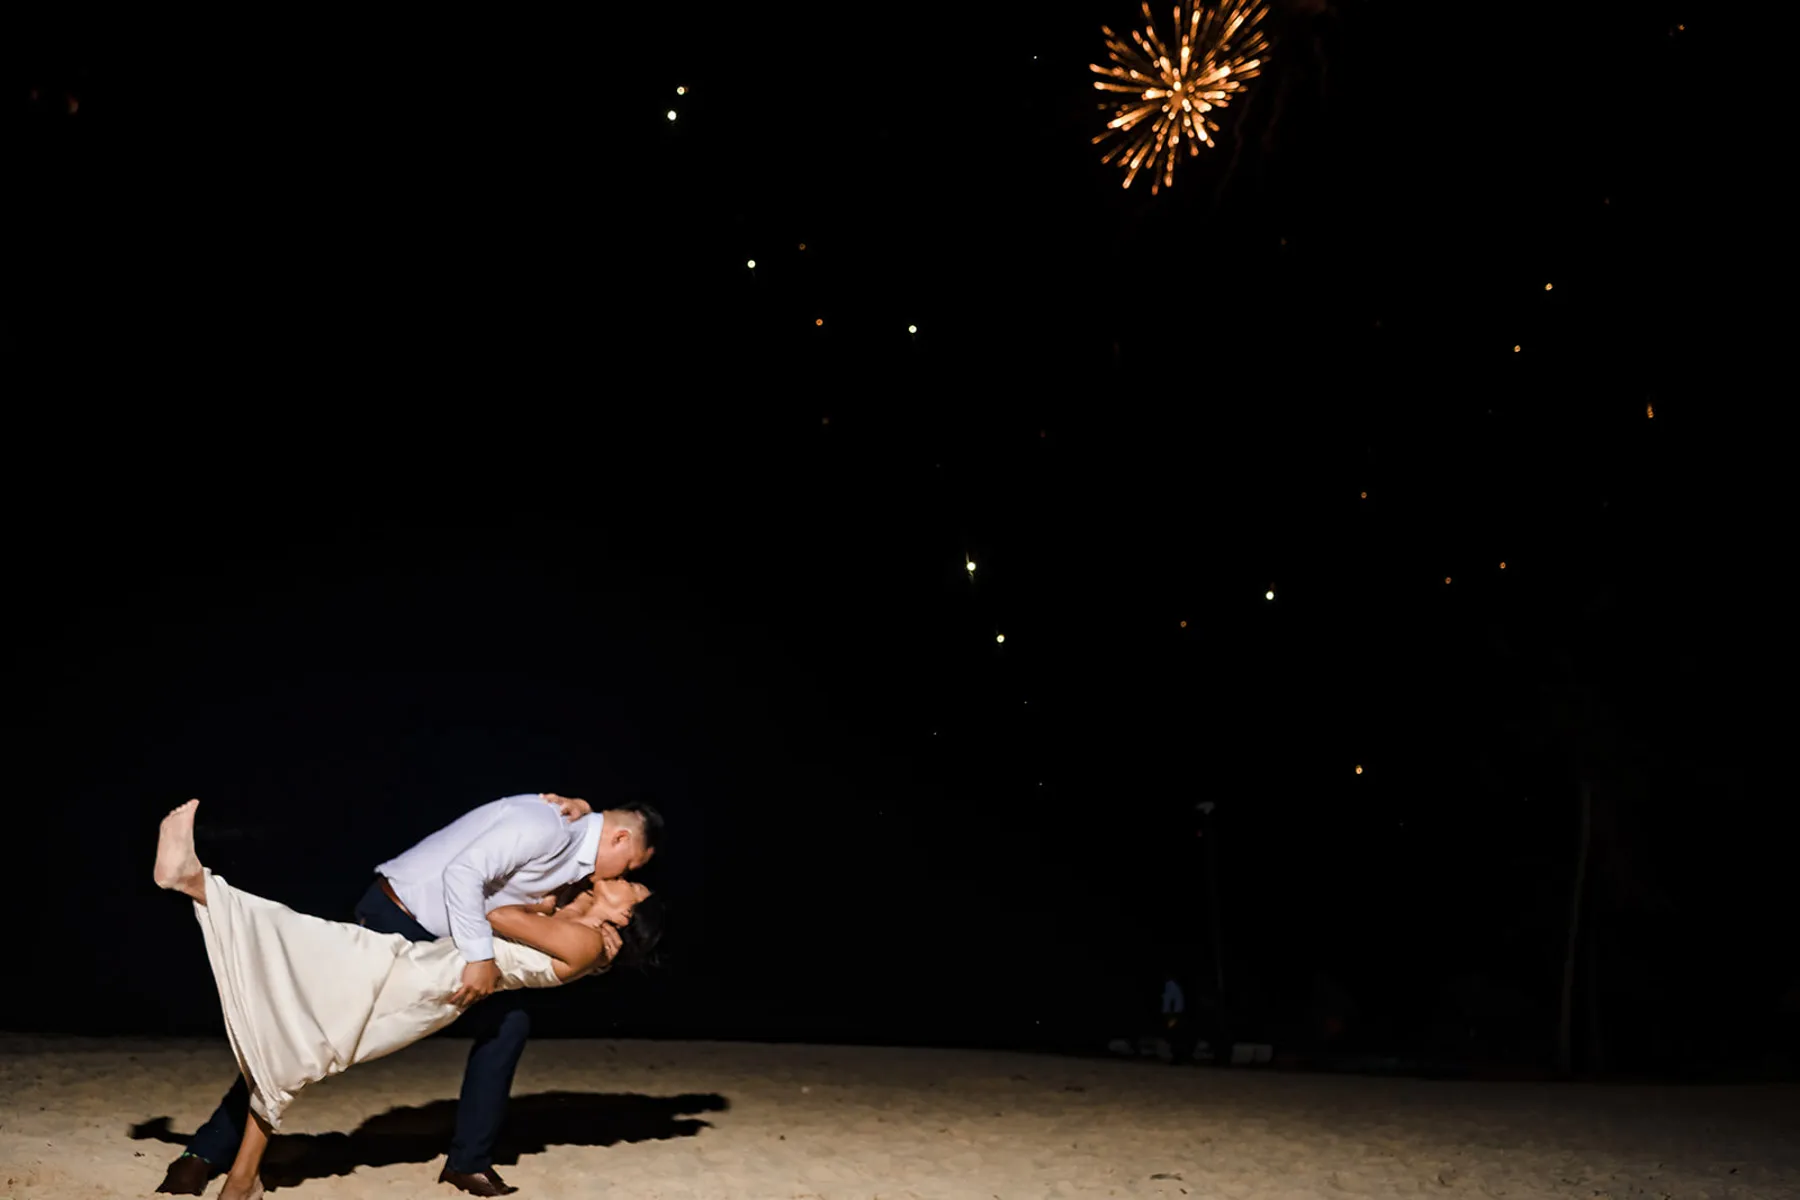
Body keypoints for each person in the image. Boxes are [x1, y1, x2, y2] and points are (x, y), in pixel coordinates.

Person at [155, 793, 661, 1198]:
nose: (626, 877)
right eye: (631, 867)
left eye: (632, 884)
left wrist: (530, 931)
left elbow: (509, 912)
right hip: (410, 920)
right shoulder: (551, 827)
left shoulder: (576, 885)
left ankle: (468, 1162)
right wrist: (496, 948)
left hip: (448, 957)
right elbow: (470, 880)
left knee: (318, 1019)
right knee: (312, 1014)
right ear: (617, 837)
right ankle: (207, 1156)